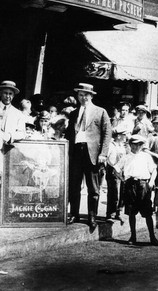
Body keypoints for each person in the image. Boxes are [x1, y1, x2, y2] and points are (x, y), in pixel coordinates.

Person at [65, 83, 111, 229]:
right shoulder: (73, 113)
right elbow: (69, 135)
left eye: (86, 95)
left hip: (92, 153)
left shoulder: (101, 112)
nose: (83, 97)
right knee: (74, 185)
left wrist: (103, 153)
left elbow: (107, 133)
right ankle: (74, 214)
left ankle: (92, 216)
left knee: (93, 188)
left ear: (91, 96)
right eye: (80, 95)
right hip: (76, 151)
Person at [114, 135, 158, 246]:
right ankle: (133, 236)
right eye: (134, 144)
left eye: (139, 144)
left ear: (142, 145)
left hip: (143, 185)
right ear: (130, 145)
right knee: (131, 212)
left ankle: (152, 237)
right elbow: (115, 169)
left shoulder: (146, 156)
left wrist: (151, 182)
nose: (136, 147)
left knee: (147, 212)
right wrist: (123, 179)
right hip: (130, 185)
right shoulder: (126, 157)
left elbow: (154, 170)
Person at [105, 126, 129, 223]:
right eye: (124, 135)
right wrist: (114, 167)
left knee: (122, 193)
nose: (125, 137)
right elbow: (107, 159)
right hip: (113, 171)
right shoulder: (111, 145)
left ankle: (118, 212)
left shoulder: (122, 146)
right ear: (118, 136)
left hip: (122, 172)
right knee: (113, 193)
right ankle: (110, 213)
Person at [0, 80, 26, 145]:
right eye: (5, 93)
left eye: (10, 94)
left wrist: (9, 136)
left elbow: (22, 133)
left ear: (13, 95)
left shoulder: (18, 114)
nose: (7, 96)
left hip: (8, 149)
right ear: (0, 93)